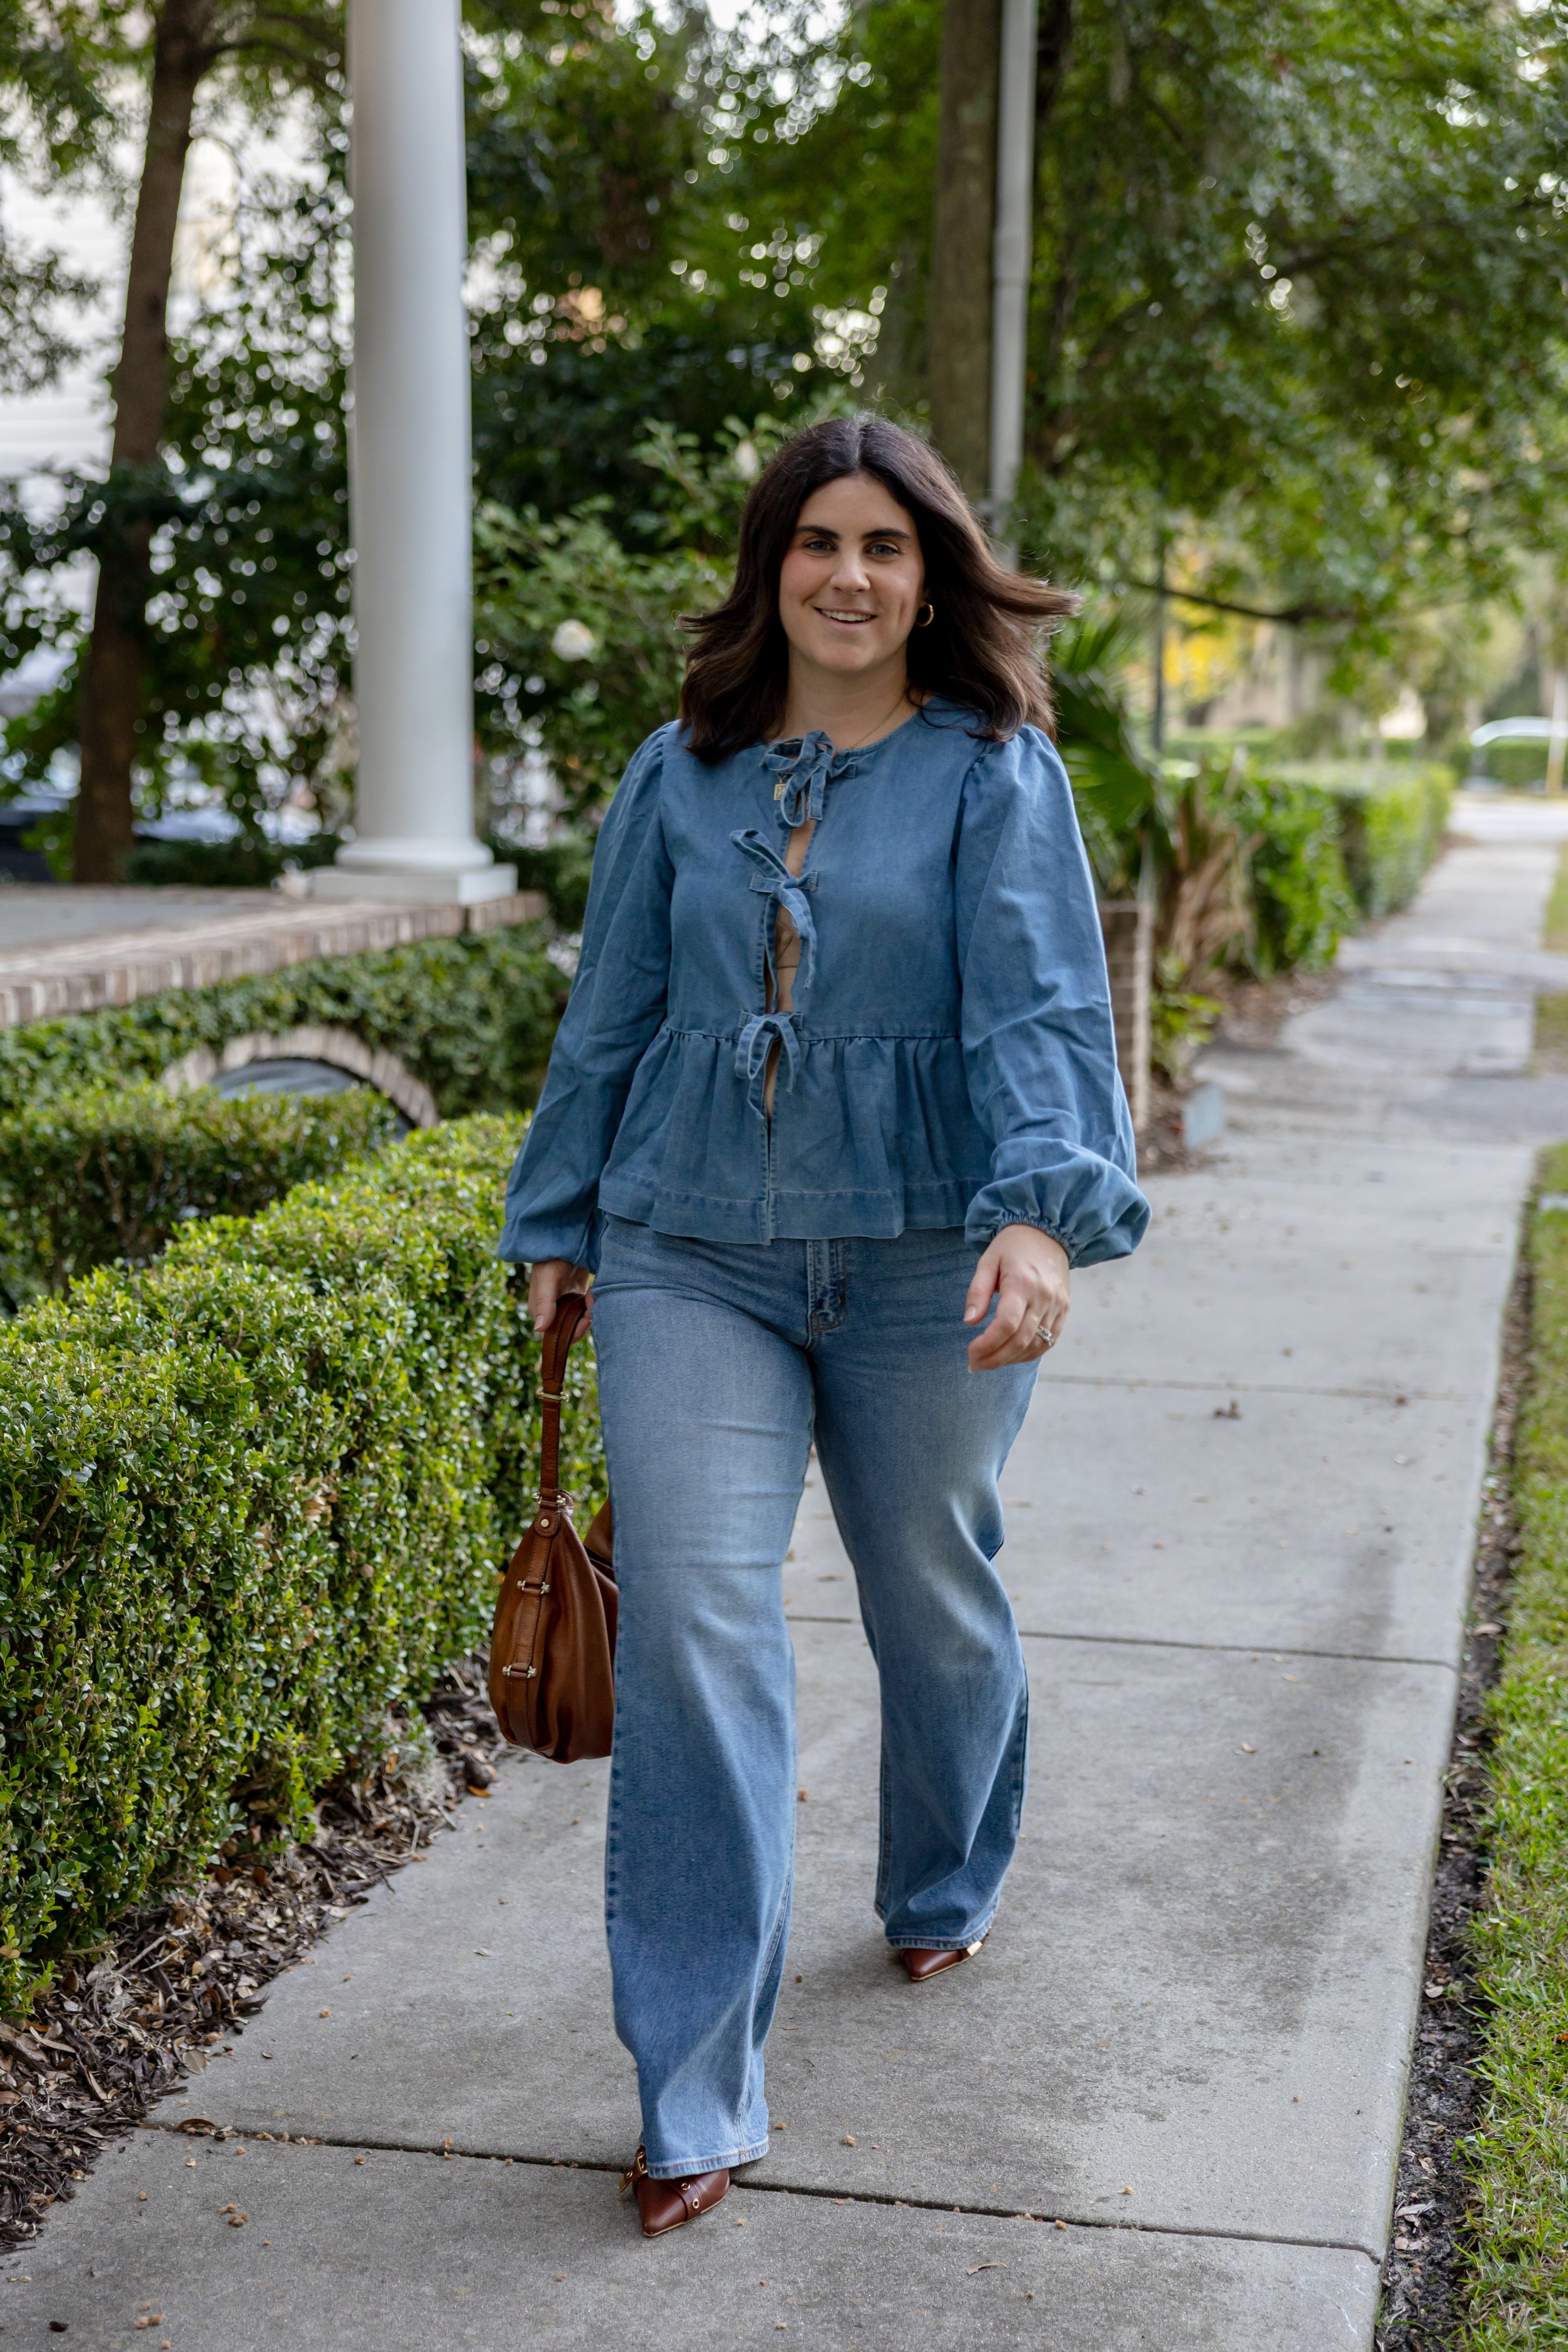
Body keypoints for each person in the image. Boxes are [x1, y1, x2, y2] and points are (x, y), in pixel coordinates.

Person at [497, 415, 1149, 2238]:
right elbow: (612, 1006)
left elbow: (1037, 1008)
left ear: (930, 572)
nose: (849, 577)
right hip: (686, 1247)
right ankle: (695, 2083)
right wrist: (559, 1217)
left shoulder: (992, 772)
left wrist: (1039, 1213)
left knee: (931, 1592)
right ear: (768, 567)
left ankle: (942, 1871)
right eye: (816, 544)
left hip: (924, 1256)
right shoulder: (677, 772)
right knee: (703, 1630)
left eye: (884, 544)